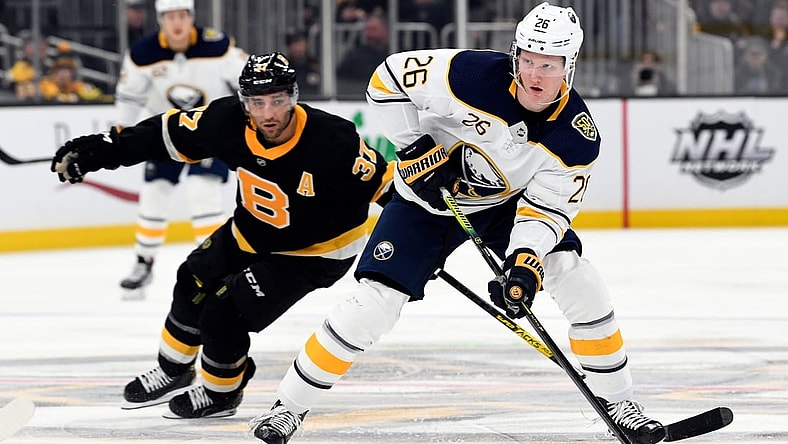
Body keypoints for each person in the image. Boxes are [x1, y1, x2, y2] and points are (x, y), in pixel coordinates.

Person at [249, 3, 665, 444]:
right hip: (422, 204)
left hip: (504, 206)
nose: (534, 75)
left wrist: (524, 262)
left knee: (576, 277)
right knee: (373, 304)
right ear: (515, 54)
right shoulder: (469, 75)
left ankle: (620, 402)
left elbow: (547, 210)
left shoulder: (574, 137)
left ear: (569, 66)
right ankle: (287, 407)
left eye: (548, 65)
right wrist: (415, 148)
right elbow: (386, 79)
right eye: (527, 60)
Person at [50, 52, 394, 419]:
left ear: (293, 96)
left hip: (314, 252)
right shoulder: (226, 120)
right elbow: (167, 133)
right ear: (244, 102)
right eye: (257, 102)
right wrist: (103, 149)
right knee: (192, 279)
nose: (268, 113)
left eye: (277, 100)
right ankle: (174, 370)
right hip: (251, 231)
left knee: (224, 311)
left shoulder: (332, 139)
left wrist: (414, 241)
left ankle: (221, 393)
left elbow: (387, 187)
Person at [114, 0, 247, 300]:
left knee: (203, 193)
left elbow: (246, 80)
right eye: (170, 16)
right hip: (166, 134)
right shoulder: (143, 53)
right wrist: (122, 129)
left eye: (182, 16)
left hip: (209, 135)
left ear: (191, 17)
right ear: (160, 19)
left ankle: (215, 265)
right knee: (154, 194)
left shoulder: (217, 45)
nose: (177, 23)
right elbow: (128, 96)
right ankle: (143, 262)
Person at [336, 11, 389, 97]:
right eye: (367, 30)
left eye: (373, 30)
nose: (370, 35)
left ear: (385, 30)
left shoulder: (399, 53)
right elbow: (341, 78)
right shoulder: (355, 57)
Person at [37, 55, 109, 103]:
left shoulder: (75, 86)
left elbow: (96, 94)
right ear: (53, 72)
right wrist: (72, 98)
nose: (63, 74)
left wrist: (80, 92)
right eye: (60, 70)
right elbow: (54, 96)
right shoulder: (46, 83)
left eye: (67, 70)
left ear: (72, 73)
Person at [285, 30, 321, 98]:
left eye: (300, 44)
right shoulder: (284, 67)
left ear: (306, 44)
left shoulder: (316, 64)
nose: (298, 48)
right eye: (294, 44)